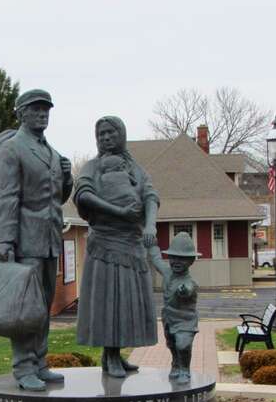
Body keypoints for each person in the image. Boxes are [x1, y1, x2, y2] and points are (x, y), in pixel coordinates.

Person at [0, 89, 73, 391]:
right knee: (25, 309)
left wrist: (67, 179)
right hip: (25, 241)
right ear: (21, 113)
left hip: (51, 240)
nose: (42, 114)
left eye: (46, 110)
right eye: (36, 109)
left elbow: (56, 198)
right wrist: (5, 241)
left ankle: (40, 363)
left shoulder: (50, 151)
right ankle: (23, 367)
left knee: (44, 307)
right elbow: (7, 197)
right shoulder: (13, 149)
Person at [73, 116, 159, 377]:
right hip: (105, 243)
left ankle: (117, 354)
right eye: (101, 134)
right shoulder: (92, 167)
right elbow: (83, 195)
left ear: (121, 134)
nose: (106, 138)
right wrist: (119, 211)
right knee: (108, 301)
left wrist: (151, 225)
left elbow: (150, 196)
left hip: (131, 243)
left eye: (111, 133)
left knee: (126, 301)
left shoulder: (135, 169)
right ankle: (108, 356)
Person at [147, 232, 200, 384]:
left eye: (182, 258)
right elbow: (156, 260)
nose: (176, 261)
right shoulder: (167, 273)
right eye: (173, 257)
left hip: (186, 320)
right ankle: (176, 364)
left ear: (191, 261)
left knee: (183, 344)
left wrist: (184, 290)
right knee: (172, 344)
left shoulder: (190, 282)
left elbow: (189, 289)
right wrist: (152, 245)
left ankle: (185, 370)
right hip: (169, 318)